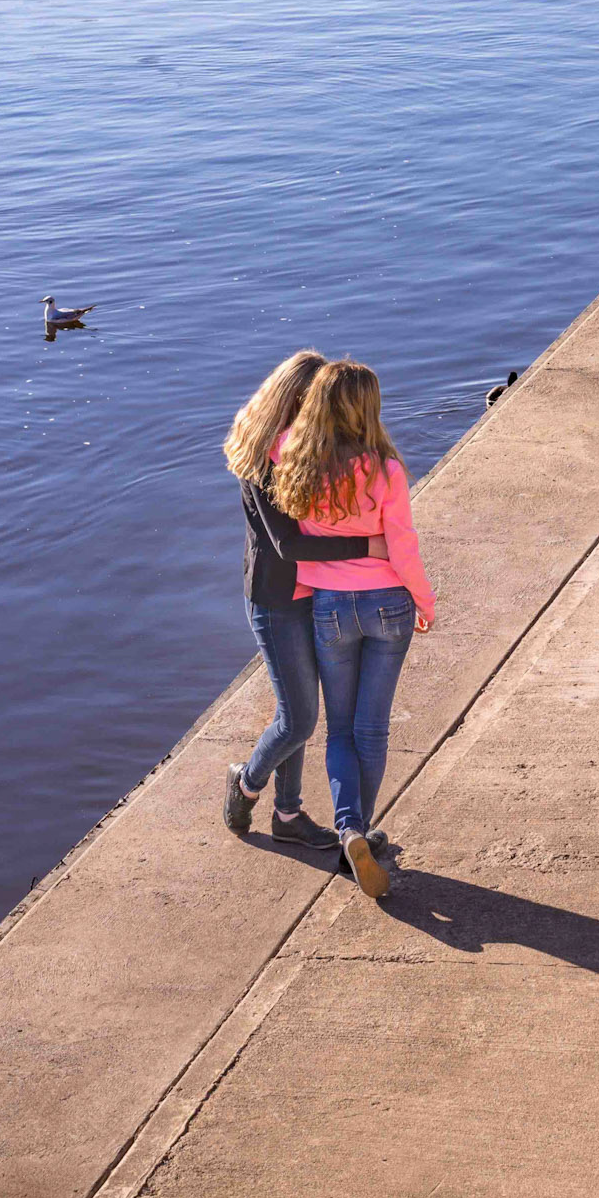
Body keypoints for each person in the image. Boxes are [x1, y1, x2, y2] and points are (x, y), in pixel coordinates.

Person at [272, 359, 436, 899]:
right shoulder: (386, 469)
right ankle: (358, 831)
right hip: (388, 602)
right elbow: (403, 544)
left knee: (340, 730)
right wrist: (423, 599)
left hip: (331, 609)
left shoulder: (296, 461)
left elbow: (264, 441)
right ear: (370, 409)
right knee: (372, 729)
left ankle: (350, 831)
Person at [221, 350, 388, 851]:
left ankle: (288, 814)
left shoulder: (307, 448)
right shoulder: (261, 461)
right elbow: (288, 545)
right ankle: (246, 783)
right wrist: (367, 546)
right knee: (299, 718)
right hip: (276, 601)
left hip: (320, 594)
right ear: (297, 398)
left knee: (294, 710)